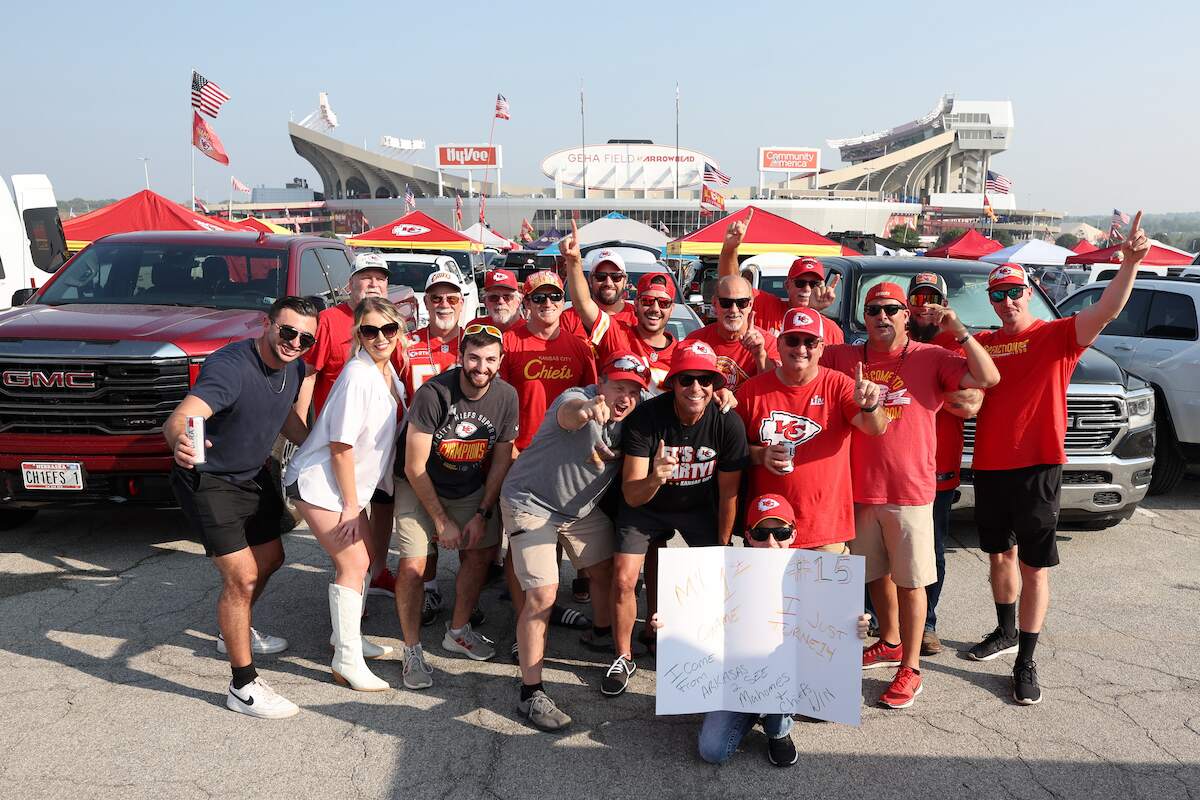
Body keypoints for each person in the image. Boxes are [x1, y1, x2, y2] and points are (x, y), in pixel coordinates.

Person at [968, 215, 1150, 706]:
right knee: (998, 555)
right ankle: (1004, 633)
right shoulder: (982, 343)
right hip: (989, 467)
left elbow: (1108, 309)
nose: (1006, 302)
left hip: (1038, 467)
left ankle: (1026, 660)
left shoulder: (1057, 336)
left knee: (1034, 566)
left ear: (1028, 293)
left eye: (1013, 293)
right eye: (998, 296)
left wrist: (1129, 264)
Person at [823, 282, 998, 709]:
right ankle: (890, 642)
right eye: (872, 310)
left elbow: (988, 377)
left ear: (906, 315)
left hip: (909, 490)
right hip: (859, 488)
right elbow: (796, 357)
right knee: (874, 575)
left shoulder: (931, 356)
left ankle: (912, 668)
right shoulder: (844, 356)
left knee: (912, 580)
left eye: (890, 309)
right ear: (864, 317)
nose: (881, 317)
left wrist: (958, 329)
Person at [165, 296, 318, 719]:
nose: (294, 343)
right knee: (242, 575)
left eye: (305, 339)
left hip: (253, 474)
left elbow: (284, 414)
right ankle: (243, 685)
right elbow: (181, 418)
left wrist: (317, 446)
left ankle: (229, 630)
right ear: (268, 325)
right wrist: (180, 440)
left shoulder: (294, 367)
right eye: (287, 332)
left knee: (271, 558)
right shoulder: (230, 367)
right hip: (210, 480)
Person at [500, 352, 651, 731]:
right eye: (618, 386)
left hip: (576, 513)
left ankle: (601, 634)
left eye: (634, 390)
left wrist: (724, 395)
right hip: (530, 503)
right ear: (600, 383)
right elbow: (571, 412)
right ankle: (530, 693)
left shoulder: (639, 411)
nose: (625, 397)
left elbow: (678, 395)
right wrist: (587, 409)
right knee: (543, 594)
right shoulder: (575, 397)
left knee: (609, 571)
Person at [666, 494, 872, 767]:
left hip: (786, 673)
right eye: (762, 534)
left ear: (794, 533)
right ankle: (752, 711)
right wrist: (669, 622)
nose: (771, 543)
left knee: (785, 660)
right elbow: (696, 618)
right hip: (735, 678)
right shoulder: (724, 571)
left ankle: (778, 730)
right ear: (748, 536)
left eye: (781, 532)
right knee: (712, 751)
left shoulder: (815, 574)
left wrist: (855, 627)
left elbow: (829, 632)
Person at [604, 341, 749, 697]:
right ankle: (623, 656)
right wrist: (656, 476)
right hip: (646, 505)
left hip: (697, 505)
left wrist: (724, 543)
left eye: (704, 380)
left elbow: (729, 492)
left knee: (714, 579)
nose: (696, 388)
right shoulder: (646, 418)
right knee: (624, 579)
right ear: (673, 383)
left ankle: (705, 650)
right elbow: (632, 493)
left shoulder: (727, 422)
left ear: (716, 385)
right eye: (686, 380)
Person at [284, 298, 406, 692]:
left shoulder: (388, 374)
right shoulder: (357, 375)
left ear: (400, 330)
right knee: (353, 564)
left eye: (388, 329)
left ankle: (346, 639)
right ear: (358, 334)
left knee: (367, 556)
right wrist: (352, 506)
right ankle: (346, 659)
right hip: (321, 484)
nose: (380, 338)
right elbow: (340, 445)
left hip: (346, 486)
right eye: (369, 331)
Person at [392, 324, 519, 689]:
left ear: (500, 361)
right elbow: (413, 466)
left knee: (481, 553)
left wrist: (482, 513)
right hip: (421, 485)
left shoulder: (506, 397)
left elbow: (499, 462)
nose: (481, 367)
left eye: (490, 359)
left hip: (467, 485)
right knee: (413, 566)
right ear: (461, 356)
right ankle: (411, 648)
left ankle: (458, 630)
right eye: (474, 357)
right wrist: (440, 521)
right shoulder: (434, 393)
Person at [295, 253, 406, 602]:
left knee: (378, 516)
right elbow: (310, 374)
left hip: (373, 453)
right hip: (341, 452)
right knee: (350, 545)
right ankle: (351, 607)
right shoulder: (329, 321)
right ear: (350, 284)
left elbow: (399, 380)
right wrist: (301, 432)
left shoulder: (390, 330)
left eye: (380, 278)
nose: (373, 284)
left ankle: (376, 573)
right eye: (365, 277)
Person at [735, 307, 887, 554]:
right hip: (767, 529)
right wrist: (760, 455)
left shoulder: (839, 385)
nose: (801, 349)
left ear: (822, 347)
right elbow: (732, 450)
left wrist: (871, 406)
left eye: (810, 342)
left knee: (824, 594)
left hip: (825, 527)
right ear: (780, 343)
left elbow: (875, 428)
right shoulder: (752, 391)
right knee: (766, 594)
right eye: (793, 340)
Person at [906, 272, 985, 656]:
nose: (924, 304)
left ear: (945, 303)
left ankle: (928, 623)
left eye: (932, 298)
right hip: (892, 465)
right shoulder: (891, 337)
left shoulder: (955, 345)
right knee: (886, 547)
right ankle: (879, 615)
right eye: (917, 297)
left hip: (939, 461)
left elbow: (974, 397)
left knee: (932, 547)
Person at [403, 269, 468, 629]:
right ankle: (429, 588)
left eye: (451, 298)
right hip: (421, 448)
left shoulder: (473, 341)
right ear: (426, 302)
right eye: (436, 298)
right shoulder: (405, 342)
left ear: (462, 302)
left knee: (466, 525)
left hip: (465, 449)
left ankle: (465, 594)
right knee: (425, 524)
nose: (444, 305)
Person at [717, 212, 843, 341]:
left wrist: (811, 310)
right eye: (800, 283)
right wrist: (730, 249)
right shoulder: (766, 307)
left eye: (814, 284)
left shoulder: (832, 331)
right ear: (787, 285)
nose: (807, 289)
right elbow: (731, 286)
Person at [684, 276, 779, 392]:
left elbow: (774, 390)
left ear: (750, 304)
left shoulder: (769, 343)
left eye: (741, 303)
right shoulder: (694, 341)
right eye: (726, 303)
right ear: (714, 303)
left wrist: (760, 354)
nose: (734, 310)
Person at [559, 247, 637, 339]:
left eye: (616, 277)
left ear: (625, 281)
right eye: (601, 277)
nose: (608, 283)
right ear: (590, 280)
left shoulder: (638, 317)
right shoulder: (568, 318)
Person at [480, 268, 523, 332]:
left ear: (518, 301)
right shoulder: (475, 329)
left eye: (507, 297)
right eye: (493, 297)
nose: (501, 301)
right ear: (485, 302)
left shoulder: (531, 332)